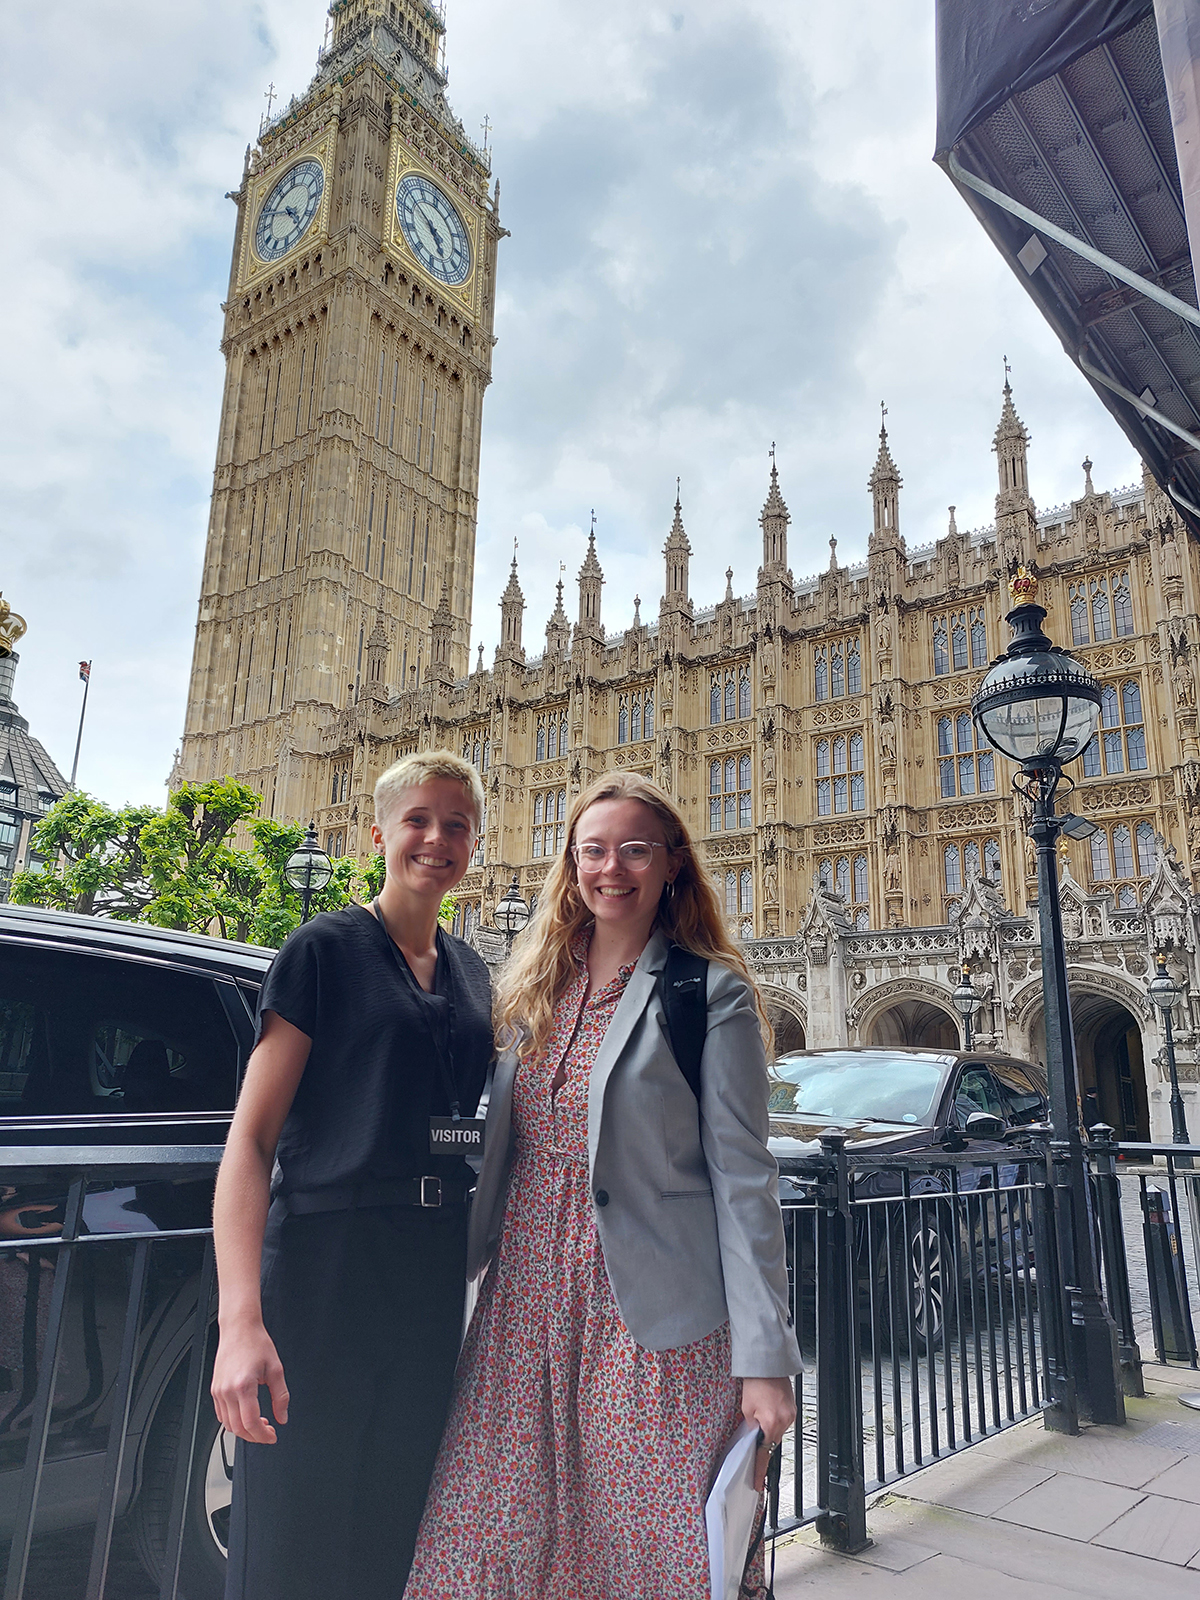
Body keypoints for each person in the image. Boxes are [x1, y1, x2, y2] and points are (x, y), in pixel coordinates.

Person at [405, 772, 800, 1600]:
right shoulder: (532, 988)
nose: (610, 868)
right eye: (593, 850)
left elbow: (744, 1180)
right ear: (571, 865)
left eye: (633, 850)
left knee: (642, 1548)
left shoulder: (708, 994)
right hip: (520, 1304)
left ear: (670, 866)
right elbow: (490, 1131)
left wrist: (764, 1361)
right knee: (482, 1534)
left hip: (646, 1322)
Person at [211, 751, 493, 1600]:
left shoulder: (473, 975)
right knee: (297, 1524)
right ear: (379, 834)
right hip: (326, 1267)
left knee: (393, 1520)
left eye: (456, 825)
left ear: (474, 844)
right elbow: (252, 1142)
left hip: (428, 1270)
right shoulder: (324, 949)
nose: (436, 839)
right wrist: (239, 1324)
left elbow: (446, 1124)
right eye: (418, 820)